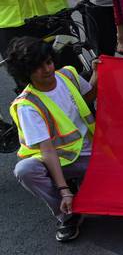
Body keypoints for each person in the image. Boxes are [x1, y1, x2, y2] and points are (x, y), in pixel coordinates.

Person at [6, 36, 99, 242]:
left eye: (48, 62)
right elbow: (47, 150)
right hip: (57, 160)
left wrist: (98, 74)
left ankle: (84, 187)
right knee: (25, 170)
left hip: (93, 152)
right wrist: (64, 190)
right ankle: (67, 215)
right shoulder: (27, 105)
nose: (47, 69)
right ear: (25, 73)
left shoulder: (68, 74)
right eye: (38, 67)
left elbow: (86, 99)